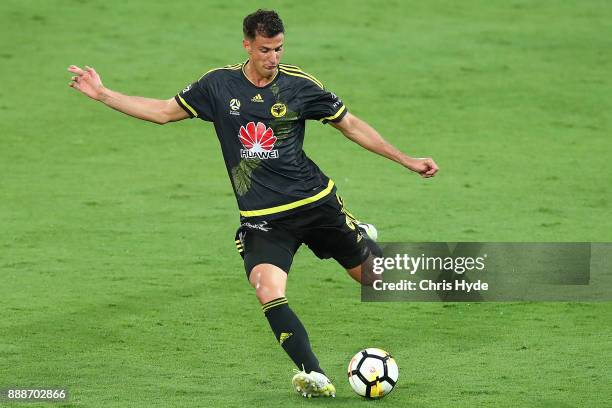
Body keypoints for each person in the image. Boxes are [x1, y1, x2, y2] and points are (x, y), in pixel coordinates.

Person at [67, 9, 438, 398]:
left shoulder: (299, 86)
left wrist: (407, 160)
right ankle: (315, 375)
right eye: (265, 49)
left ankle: (412, 253)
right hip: (264, 220)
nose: (273, 58)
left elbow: (351, 125)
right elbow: (162, 112)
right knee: (266, 287)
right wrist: (104, 94)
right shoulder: (218, 86)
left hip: (315, 204)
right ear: (247, 45)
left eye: (278, 49)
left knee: (376, 280)